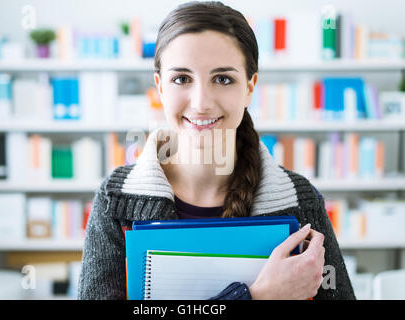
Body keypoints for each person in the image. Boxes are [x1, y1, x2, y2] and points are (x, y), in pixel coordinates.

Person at [78, 1, 355, 300]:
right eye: (182, 79)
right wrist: (258, 296)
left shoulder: (302, 201)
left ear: (250, 87)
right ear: (160, 87)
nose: (201, 102)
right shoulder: (116, 203)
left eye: (223, 79)